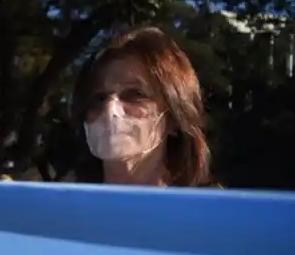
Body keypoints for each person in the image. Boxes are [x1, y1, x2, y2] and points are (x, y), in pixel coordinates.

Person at [70, 26, 211, 187]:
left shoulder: (206, 210)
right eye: (98, 98)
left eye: (135, 94)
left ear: (173, 118)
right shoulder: (59, 209)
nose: (110, 110)